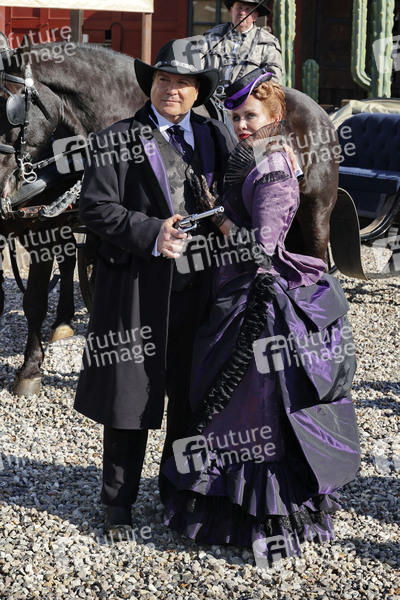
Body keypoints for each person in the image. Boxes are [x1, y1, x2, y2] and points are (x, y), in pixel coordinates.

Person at [161, 69, 361, 563]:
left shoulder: (274, 165)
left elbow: (263, 246)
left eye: (251, 116)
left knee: (254, 407)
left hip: (258, 299)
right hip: (236, 288)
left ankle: (260, 517)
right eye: (236, 117)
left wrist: (221, 218)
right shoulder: (258, 154)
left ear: (276, 115)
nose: (242, 125)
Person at [74, 39, 235, 538]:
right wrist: (151, 232)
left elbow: (238, 192)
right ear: (151, 85)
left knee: (190, 395)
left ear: (197, 92)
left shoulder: (214, 136)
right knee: (130, 397)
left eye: (183, 83)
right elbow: (94, 208)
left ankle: (176, 494)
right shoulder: (116, 138)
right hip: (138, 288)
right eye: (164, 80)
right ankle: (118, 503)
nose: (172, 89)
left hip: (201, 289)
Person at [201, 0, 283, 90]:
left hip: (248, 97)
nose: (242, 12)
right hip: (209, 96)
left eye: (247, 9)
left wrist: (250, 95)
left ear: (255, 16)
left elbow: (273, 79)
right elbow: (195, 68)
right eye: (239, 7)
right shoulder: (211, 36)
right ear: (231, 11)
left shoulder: (268, 43)